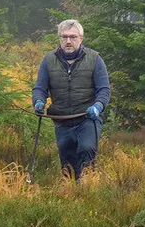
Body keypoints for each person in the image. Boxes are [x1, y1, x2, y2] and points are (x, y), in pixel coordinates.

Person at [32, 19, 110, 181]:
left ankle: (88, 189)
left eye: (73, 37)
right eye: (64, 37)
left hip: (88, 118)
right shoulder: (48, 61)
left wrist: (98, 106)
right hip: (62, 120)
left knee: (86, 149)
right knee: (67, 162)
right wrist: (38, 101)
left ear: (81, 39)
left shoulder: (95, 59)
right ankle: (71, 195)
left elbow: (104, 89)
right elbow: (40, 87)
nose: (68, 41)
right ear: (59, 39)